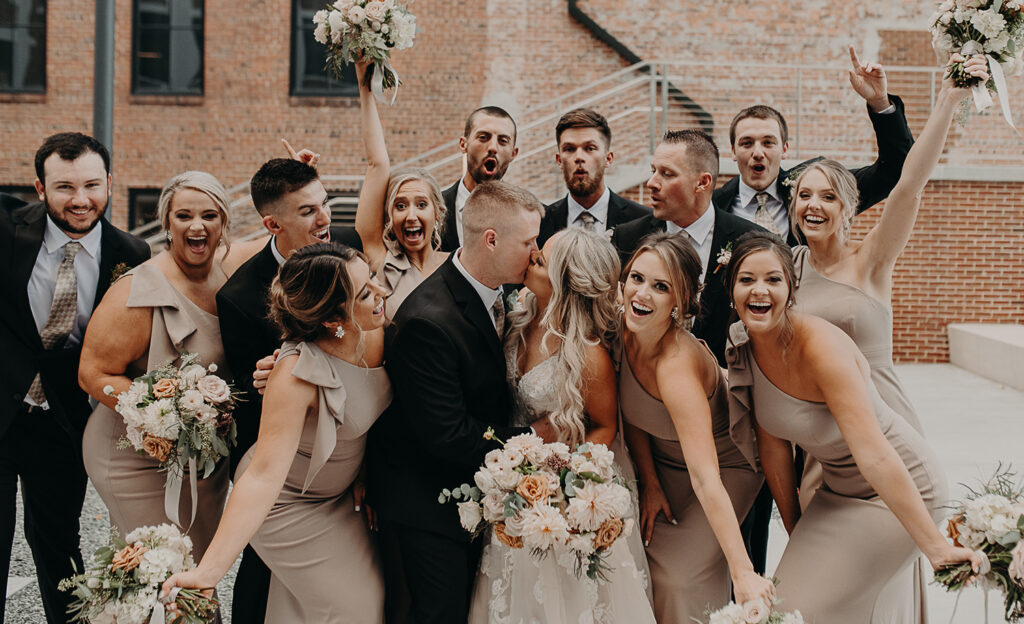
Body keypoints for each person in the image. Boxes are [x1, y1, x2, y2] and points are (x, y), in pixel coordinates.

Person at [785, 53, 989, 622]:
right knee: (832, 582)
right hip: (822, 441)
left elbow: (911, 181)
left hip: (884, 425)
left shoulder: (871, 262)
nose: (814, 205)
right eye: (804, 195)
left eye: (828, 195)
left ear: (850, 206)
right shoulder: (785, 271)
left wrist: (948, 97)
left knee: (883, 576)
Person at [724, 232, 981, 623]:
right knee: (781, 604)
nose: (760, 291)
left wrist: (935, 546)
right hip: (835, 493)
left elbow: (875, 455)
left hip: (897, 487)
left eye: (774, 279)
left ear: (791, 289)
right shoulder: (746, 346)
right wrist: (798, 529)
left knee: (798, 613)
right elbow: (774, 449)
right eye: (747, 280)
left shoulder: (821, 348)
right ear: (732, 289)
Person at [162, 243, 390, 622]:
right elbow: (263, 477)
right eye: (365, 293)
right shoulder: (296, 373)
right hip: (288, 503)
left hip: (339, 497)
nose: (381, 293)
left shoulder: (377, 325)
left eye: (373, 281)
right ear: (333, 318)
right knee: (357, 608)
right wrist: (209, 571)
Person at [375, 181, 555, 623]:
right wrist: (536, 436)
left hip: (473, 496)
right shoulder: (428, 323)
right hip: (428, 508)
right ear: (491, 240)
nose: (536, 254)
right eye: (529, 242)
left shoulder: (501, 292)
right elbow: (450, 438)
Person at [468, 228, 656, 622]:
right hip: (513, 489)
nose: (531, 255)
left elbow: (605, 426)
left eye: (540, 260)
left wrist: (564, 479)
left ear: (565, 282)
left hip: (562, 498)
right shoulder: (518, 317)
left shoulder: (588, 354)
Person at [0, 132, 150, 624]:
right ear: (40, 189)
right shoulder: (6, 227)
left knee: (58, 544)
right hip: (2, 406)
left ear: (109, 182)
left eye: (91, 185)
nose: (81, 200)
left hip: (63, 423)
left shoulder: (133, 253)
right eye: (64, 187)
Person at [215, 156, 362, 623]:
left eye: (325, 204)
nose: (325, 221)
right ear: (271, 223)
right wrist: (260, 381)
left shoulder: (349, 249)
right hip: (287, 463)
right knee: (264, 575)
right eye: (308, 212)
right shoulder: (239, 297)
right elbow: (242, 396)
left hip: (352, 440)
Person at [80, 171, 232, 563]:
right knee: (158, 572)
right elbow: (93, 373)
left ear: (223, 223)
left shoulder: (231, 273)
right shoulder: (136, 291)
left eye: (209, 216)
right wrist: (167, 415)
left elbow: (288, 233)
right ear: (167, 222)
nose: (197, 226)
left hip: (203, 463)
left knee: (197, 569)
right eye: (184, 216)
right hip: (133, 457)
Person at [619, 233, 772, 620]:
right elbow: (632, 413)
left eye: (660, 287)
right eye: (636, 278)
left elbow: (706, 478)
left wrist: (743, 573)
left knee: (677, 577)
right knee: (635, 562)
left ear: (680, 301)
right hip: (664, 465)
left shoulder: (676, 368)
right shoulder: (621, 331)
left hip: (725, 467)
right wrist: (650, 482)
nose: (641, 294)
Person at [713, 46, 915, 245]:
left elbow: (897, 170)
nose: (758, 153)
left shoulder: (822, 186)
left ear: (785, 149)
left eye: (768, 142)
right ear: (732, 151)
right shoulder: (712, 206)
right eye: (747, 143)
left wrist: (880, 102)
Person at [612, 129, 764, 367]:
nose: (652, 183)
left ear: (702, 182)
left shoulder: (750, 242)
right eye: (654, 171)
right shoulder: (628, 238)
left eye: (667, 174)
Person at [353, 59, 449, 318]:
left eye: (421, 204)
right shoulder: (382, 263)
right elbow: (378, 163)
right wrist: (365, 85)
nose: (411, 216)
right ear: (390, 216)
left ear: (438, 212)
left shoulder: (458, 264)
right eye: (400, 206)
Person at [537, 108, 650, 247]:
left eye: (590, 148)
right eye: (569, 149)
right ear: (559, 160)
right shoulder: (541, 223)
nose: (579, 157)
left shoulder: (642, 221)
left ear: (608, 158)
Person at [439, 107, 519, 251]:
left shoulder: (528, 214)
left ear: (514, 153)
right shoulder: (434, 209)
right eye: (483, 137)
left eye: (503, 140)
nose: (493, 147)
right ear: (463, 144)